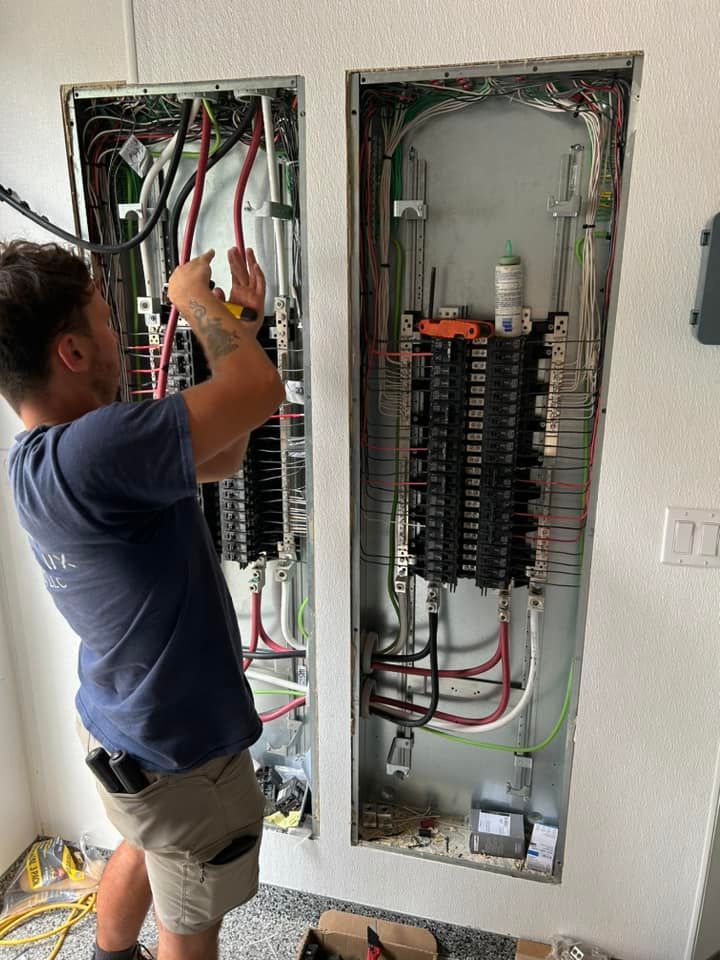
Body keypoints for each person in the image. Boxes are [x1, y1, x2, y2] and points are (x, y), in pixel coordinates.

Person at [0, 240, 285, 960]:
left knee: (147, 843)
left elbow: (225, 451)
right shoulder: (96, 450)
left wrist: (236, 323)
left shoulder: (46, 458)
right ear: (70, 353)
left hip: (120, 726)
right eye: (103, 320)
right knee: (193, 916)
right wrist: (193, 301)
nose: (114, 334)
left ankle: (110, 954)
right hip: (177, 748)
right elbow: (259, 394)